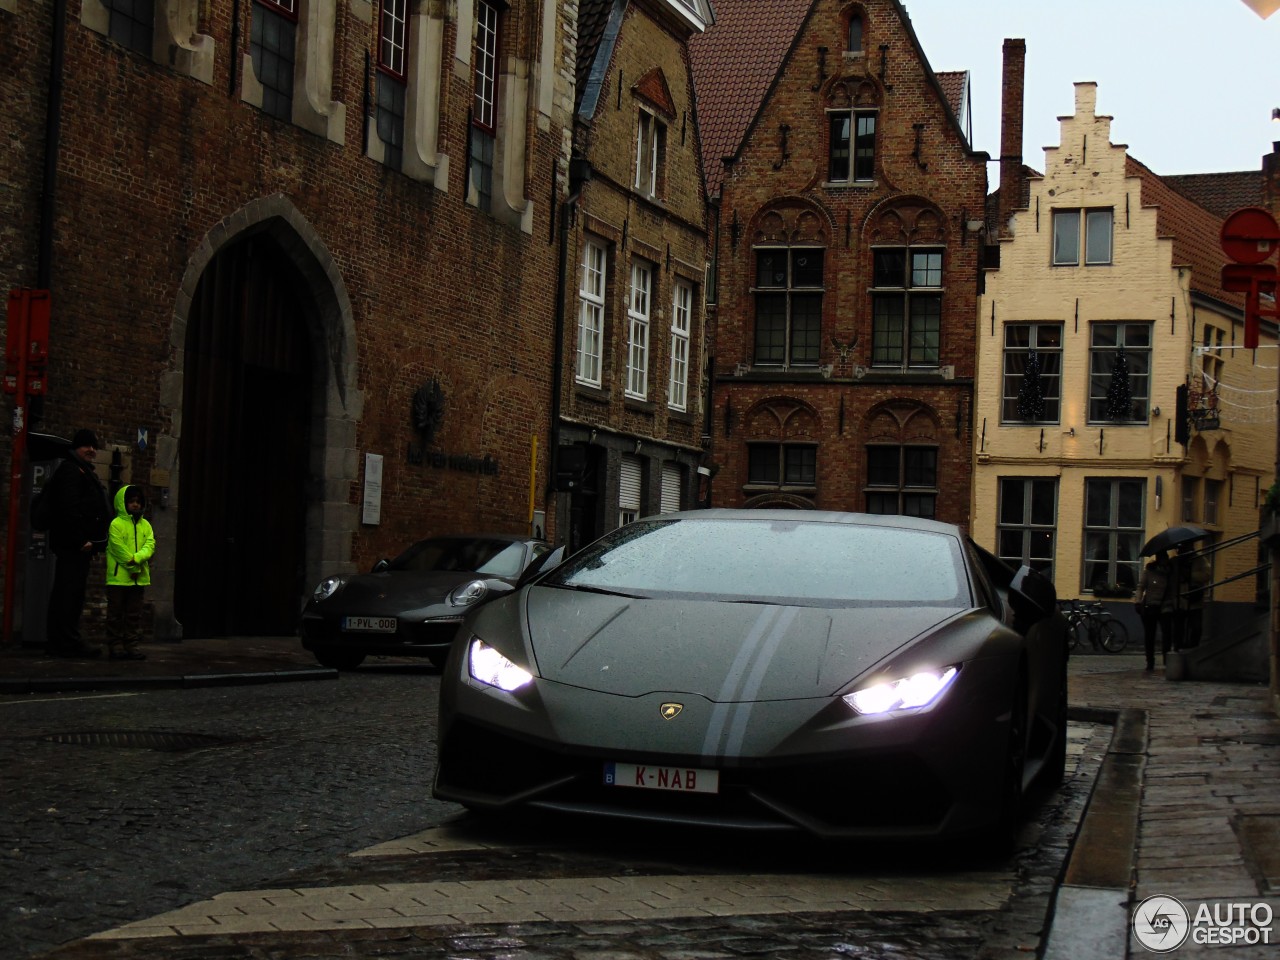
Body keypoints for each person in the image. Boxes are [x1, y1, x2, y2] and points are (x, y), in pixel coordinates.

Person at [43, 429, 111, 657]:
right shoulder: (71, 470)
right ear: (76, 448)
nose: (91, 450)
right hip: (74, 545)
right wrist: (81, 539)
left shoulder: (79, 469)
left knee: (70, 592)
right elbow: (68, 508)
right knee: (69, 593)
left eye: (93, 446)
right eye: (86, 446)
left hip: (78, 545)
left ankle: (62, 640)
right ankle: (67, 642)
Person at [104, 485, 155, 661]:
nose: (135, 505)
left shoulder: (145, 525)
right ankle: (115, 646)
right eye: (131, 501)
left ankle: (131, 646)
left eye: (138, 502)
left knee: (134, 615)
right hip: (119, 579)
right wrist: (135, 566)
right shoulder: (116, 524)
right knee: (115, 614)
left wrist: (138, 558)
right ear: (123, 503)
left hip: (137, 580)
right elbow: (118, 549)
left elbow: (150, 545)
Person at [1134, 552, 1175, 671]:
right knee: (1150, 635)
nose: (1164, 561)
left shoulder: (1170, 573)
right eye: (1162, 558)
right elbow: (1141, 587)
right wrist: (1138, 601)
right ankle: (1150, 660)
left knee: (1167, 634)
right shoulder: (1149, 572)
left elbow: (1173, 590)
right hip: (1150, 606)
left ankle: (1167, 659)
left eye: (1166, 558)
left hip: (1166, 606)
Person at [1174, 542, 1211, 650]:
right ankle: (1178, 649)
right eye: (1179, 549)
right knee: (1178, 629)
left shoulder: (1200, 560)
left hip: (1195, 599)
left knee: (1196, 627)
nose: (1181, 551)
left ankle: (1193, 648)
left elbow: (1206, 575)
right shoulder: (1176, 561)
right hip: (1180, 600)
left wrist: (1190, 575)